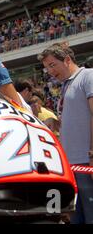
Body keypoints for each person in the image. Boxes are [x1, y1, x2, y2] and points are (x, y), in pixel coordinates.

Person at [38, 42, 93, 224]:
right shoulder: (65, 86)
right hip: (70, 165)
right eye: (47, 68)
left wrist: (92, 154)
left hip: (86, 161)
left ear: (67, 60)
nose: (50, 72)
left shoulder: (88, 76)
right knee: (76, 216)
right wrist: (55, 122)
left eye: (53, 65)